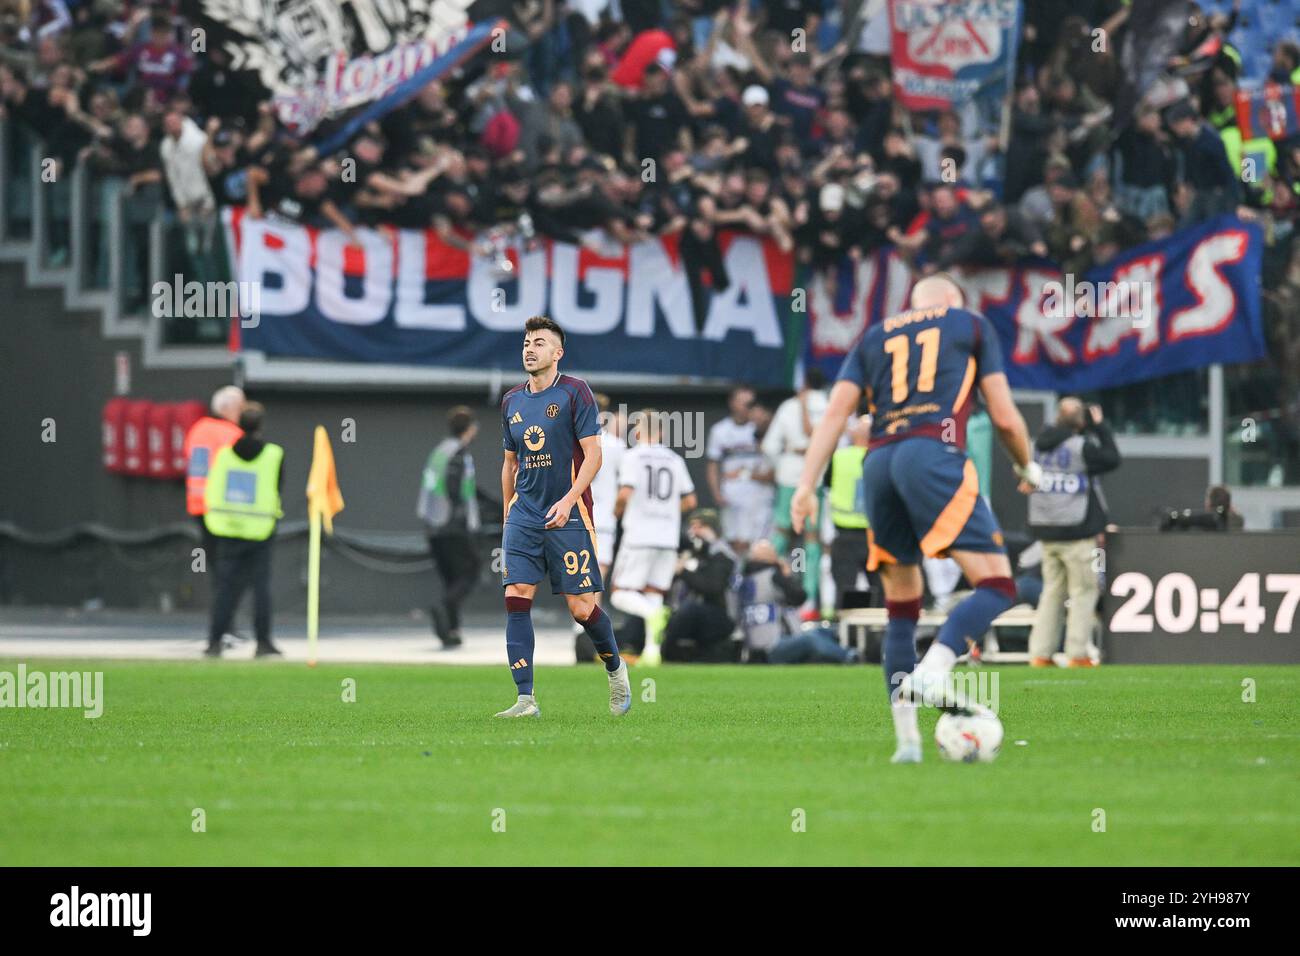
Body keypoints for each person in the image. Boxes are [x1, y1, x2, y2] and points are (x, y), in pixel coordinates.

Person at [790, 274, 1040, 764]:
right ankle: (937, 667)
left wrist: (805, 485)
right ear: (953, 299)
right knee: (998, 585)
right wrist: (1025, 465)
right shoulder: (970, 324)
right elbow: (1006, 418)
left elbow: (836, 415)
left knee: (901, 607)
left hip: (878, 463)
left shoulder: (876, 334)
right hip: (933, 452)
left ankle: (907, 744)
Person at [497, 315, 630, 718]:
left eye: (539, 342)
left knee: (581, 608)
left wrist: (571, 499)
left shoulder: (576, 392)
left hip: (568, 516)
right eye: (526, 341)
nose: (529, 347)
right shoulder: (511, 401)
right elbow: (509, 462)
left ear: (558, 353)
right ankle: (525, 699)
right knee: (516, 596)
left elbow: (594, 455)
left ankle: (615, 669)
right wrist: (508, 512)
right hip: (524, 515)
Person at [1027, 397, 1121, 668]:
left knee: (1052, 593)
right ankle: (1077, 652)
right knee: (1083, 591)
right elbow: (1112, 458)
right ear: (1081, 421)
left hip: (1046, 530)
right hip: (1076, 531)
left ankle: (1040, 653)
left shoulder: (1037, 446)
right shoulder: (1081, 447)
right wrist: (1100, 427)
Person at [610, 409, 697, 664]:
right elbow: (690, 500)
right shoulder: (674, 460)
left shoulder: (632, 456)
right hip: (667, 537)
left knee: (620, 593)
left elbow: (625, 494)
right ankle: (652, 652)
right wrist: (667, 511)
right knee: (654, 592)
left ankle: (652, 615)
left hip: (639, 535)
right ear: (662, 432)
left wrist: (615, 514)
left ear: (637, 432)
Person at [202, 402, 283, 659]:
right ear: (261, 426)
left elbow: (214, 485)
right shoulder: (273, 454)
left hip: (227, 530)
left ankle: (215, 642)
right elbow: (277, 488)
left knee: (225, 589)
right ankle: (263, 642)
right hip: (260, 531)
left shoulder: (224, 454)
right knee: (261, 589)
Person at [763, 366, 830, 612]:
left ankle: (767, 588)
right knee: (809, 538)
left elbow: (769, 446)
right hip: (816, 480)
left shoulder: (789, 406)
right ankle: (807, 598)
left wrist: (781, 465)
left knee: (784, 535)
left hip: (789, 477)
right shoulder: (829, 404)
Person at [417, 405, 482, 650]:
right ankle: (444, 608)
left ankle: (451, 631)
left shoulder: (439, 451)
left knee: (451, 579)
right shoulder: (459, 454)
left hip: (433, 527)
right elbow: (456, 490)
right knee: (471, 571)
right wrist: (466, 523)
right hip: (452, 525)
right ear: (469, 429)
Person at [740, 539, 857, 664]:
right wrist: (787, 574)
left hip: (755, 645)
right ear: (770, 557)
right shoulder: (773, 576)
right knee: (811, 639)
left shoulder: (745, 580)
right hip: (773, 646)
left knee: (824, 632)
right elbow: (799, 596)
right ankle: (849, 656)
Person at [183, 385, 245, 577]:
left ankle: (220, 599)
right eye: (240, 408)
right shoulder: (233, 434)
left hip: (198, 505)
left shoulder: (197, 429)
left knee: (213, 560)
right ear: (231, 409)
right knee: (229, 563)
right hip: (223, 507)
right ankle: (225, 602)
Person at [661, 509, 737, 663]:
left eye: (699, 527)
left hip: (721, 616)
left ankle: (664, 653)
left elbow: (712, 587)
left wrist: (683, 571)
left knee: (690, 609)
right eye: (692, 527)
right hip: (694, 613)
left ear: (712, 529)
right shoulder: (693, 552)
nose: (693, 532)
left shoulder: (722, 554)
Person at [705, 385, 769, 555]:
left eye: (751, 403)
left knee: (755, 542)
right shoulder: (720, 430)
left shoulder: (762, 427)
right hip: (732, 493)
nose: (747, 408)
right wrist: (716, 492)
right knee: (733, 540)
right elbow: (713, 464)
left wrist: (761, 425)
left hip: (758, 494)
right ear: (732, 403)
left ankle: (751, 579)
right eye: (743, 402)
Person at [827, 413, 876, 609]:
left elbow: (827, 485)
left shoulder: (839, 457)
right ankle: (877, 633)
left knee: (845, 589)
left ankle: (845, 632)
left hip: (845, 535)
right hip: (875, 536)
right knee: (880, 590)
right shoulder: (880, 457)